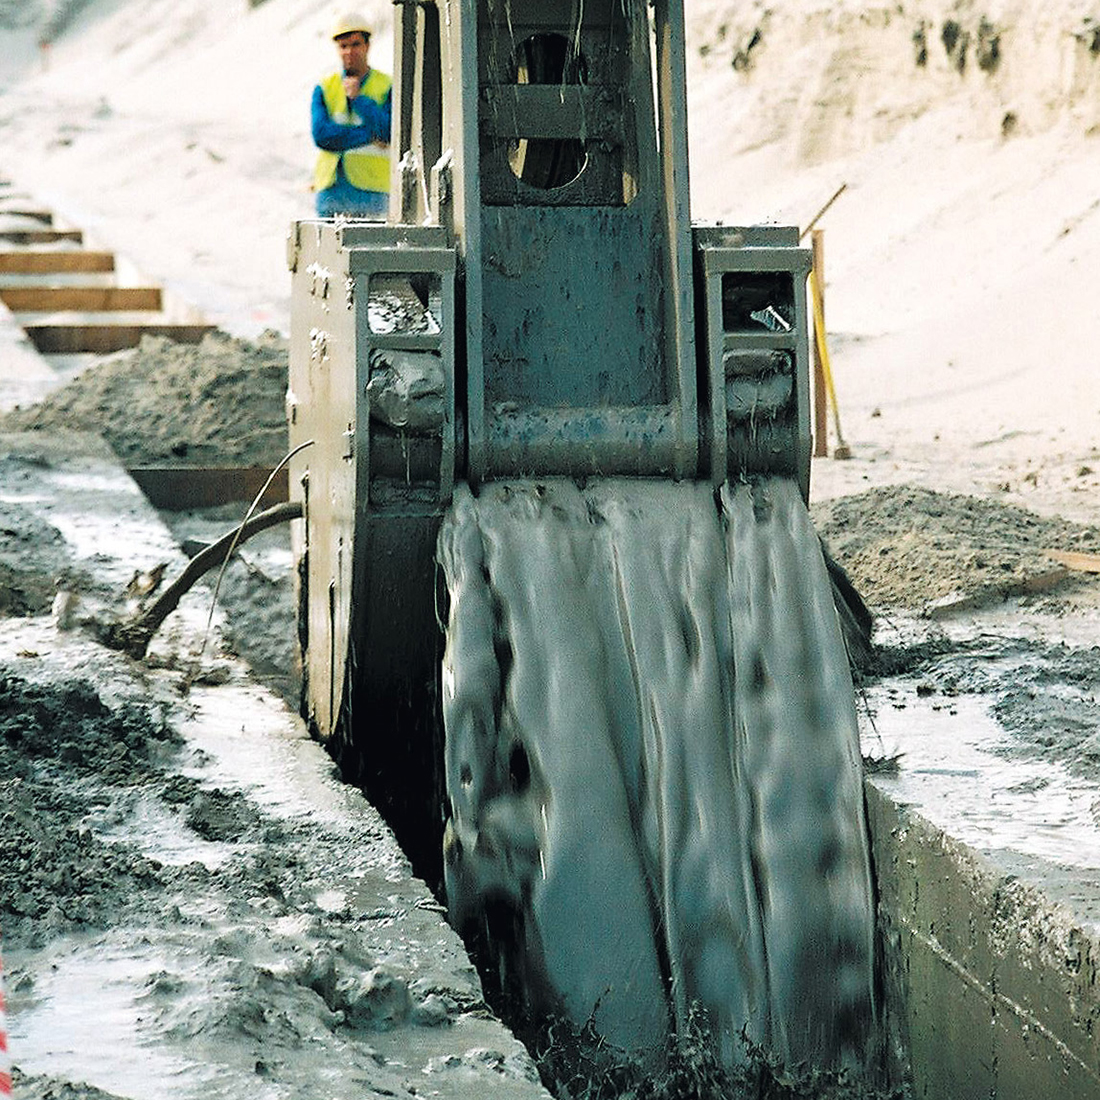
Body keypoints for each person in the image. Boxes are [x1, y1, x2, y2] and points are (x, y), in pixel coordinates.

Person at [311, 12, 392, 219]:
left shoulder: (388, 86)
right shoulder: (325, 87)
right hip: (331, 191)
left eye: (355, 44)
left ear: (367, 46)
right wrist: (369, 135)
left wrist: (359, 100)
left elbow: (389, 130)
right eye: (343, 46)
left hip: (373, 191)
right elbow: (322, 135)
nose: (349, 51)